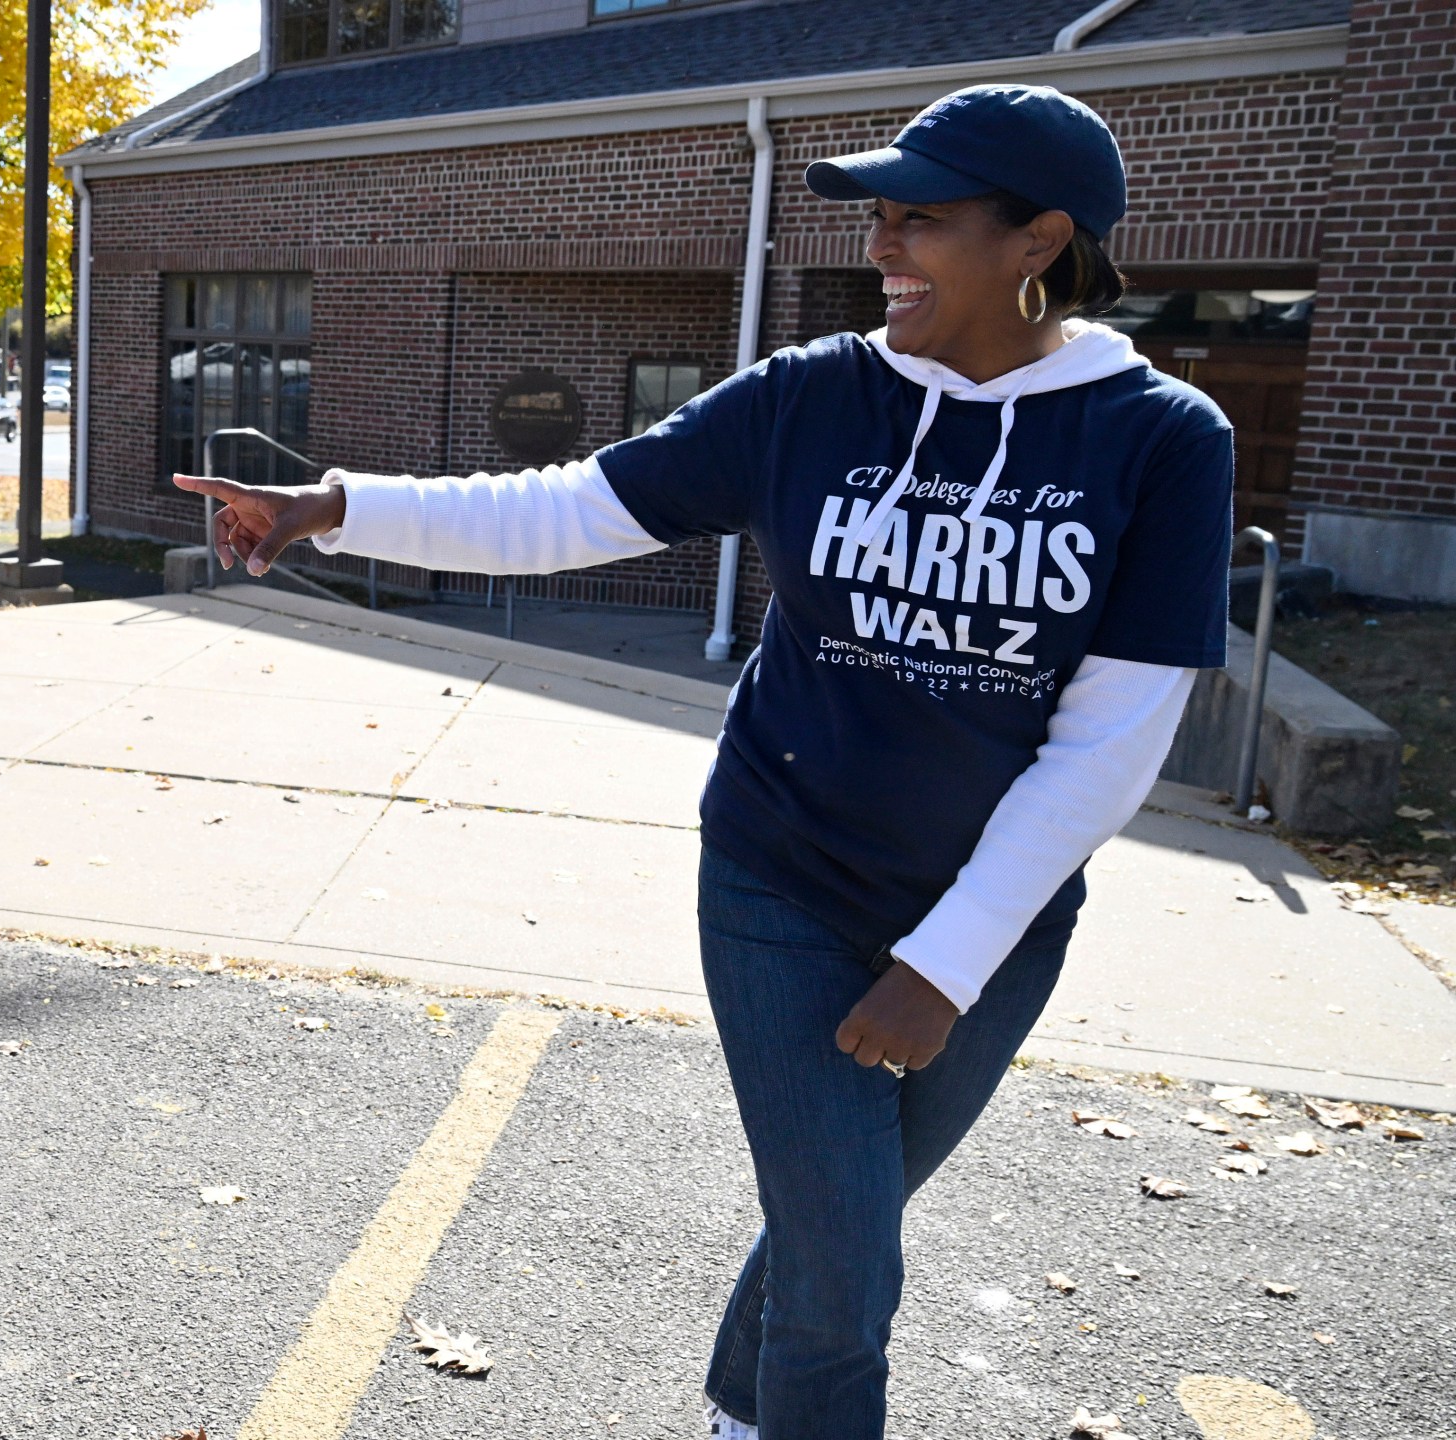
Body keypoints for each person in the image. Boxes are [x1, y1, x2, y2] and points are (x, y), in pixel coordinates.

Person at [177, 86, 1232, 1440]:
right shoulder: (812, 398)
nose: (886, 246)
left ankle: (745, 1414)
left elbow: (1108, 747)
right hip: (779, 879)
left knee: (834, 1223)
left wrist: (946, 961)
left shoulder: (1162, 443)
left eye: (925, 219)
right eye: (881, 217)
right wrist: (340, 508)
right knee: (847, 1269)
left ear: (1038, 241)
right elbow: (573, 508)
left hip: (990, 923)